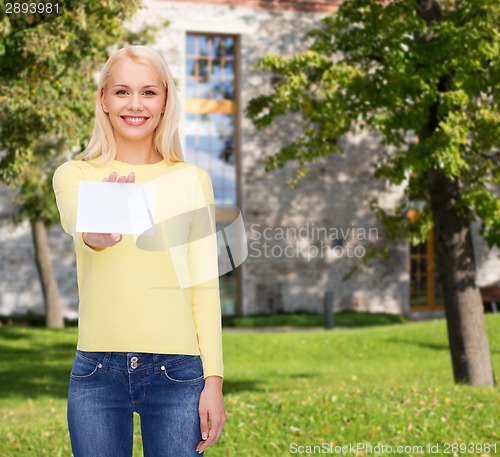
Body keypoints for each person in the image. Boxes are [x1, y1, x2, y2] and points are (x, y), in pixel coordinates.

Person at [52, 45, 226, 457]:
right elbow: (83, 228)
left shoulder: (191, 179)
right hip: (97, 372)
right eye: (122, 92)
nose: (135, 104)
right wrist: (99, 229)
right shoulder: (75, 174)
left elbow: (203, 285)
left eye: (149, 92)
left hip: (179, 374)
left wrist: (214, 380)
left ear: (165, 101)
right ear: (104, 101)